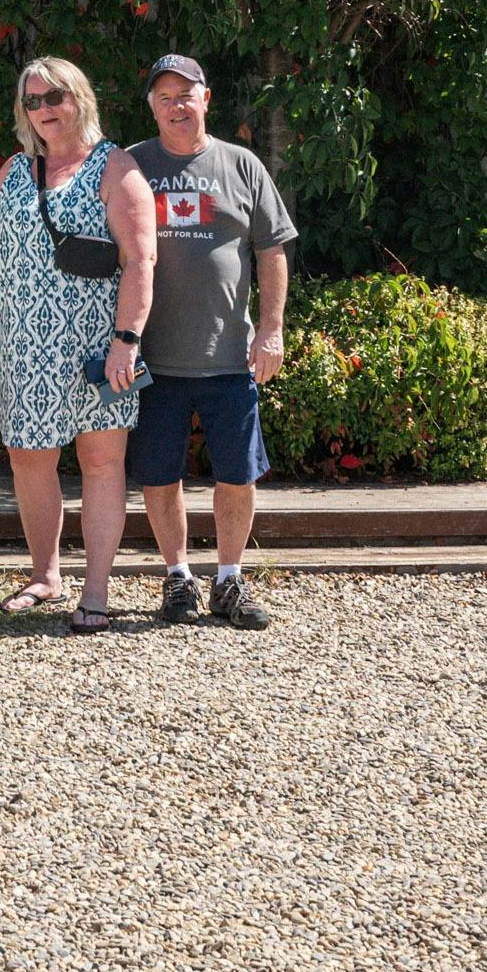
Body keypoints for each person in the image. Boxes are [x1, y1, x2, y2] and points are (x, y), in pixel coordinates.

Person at [108, 52, 294, 631]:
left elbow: (272, 250)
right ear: (151, 107)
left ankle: (229, 579)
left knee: (237, 475)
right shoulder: (130, 165)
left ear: (205, 99)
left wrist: (272, 329)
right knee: (159, 476)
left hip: (229, 356)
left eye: (185, 95)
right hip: (153, 359)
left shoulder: (242, 165)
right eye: (164, 97)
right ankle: (178, 577)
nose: (176, 107)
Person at [0, 55, 146, 631]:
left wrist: (126, 340)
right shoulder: (14, 171)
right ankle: (46, 575)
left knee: (102, 463)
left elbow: (141, 260)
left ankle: (95, 590)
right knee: (29, 460)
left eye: (54, 97)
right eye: (32, 101)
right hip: (27, 348)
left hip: (100, 347)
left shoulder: (115, 167)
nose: (44, 109)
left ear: (79, 98)